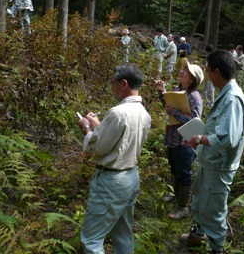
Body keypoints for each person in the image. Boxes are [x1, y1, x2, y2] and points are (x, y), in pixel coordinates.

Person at [77, 64, 152, 254]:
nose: (112, 87)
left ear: (124, 83)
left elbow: (97, 147)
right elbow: (121, 143)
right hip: (130, 177)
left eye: (113, 83)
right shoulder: (144, 113)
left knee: (92, 239)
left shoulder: (118, 113)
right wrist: (100, 126)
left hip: (111, 182)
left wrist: (87, 128)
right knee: (123, 233)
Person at [180, 49, 244, 254]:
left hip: (220, 166)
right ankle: (198, 235)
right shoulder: (226, 94)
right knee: (201, 200)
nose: (207, 75)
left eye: (208, 70)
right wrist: (199, 141)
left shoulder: (232, 99)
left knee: (215, 209)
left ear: (217, 72)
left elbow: (228, 138)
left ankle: (217, 249)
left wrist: (199, 138)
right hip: (210, 162)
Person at [154, 58, 203, 220]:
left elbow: (195, 122)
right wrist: (162, 92)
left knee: (184, 173)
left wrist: (174, 112)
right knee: (174, 169)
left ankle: (184, 207)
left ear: (193, 79)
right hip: (173, 138)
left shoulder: (195, 98)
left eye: (187, 72)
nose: (182, 72)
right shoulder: (177, 90)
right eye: (183, 70)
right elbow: (168, 108)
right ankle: (177, 196)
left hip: (185, 142)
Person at [202, 44, 215, 109]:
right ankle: (205, 102)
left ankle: (211, 104)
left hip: (211, 77)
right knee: (204, 90)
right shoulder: (208, 57)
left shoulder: (214, 58)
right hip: (206, 76)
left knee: (210, 90)